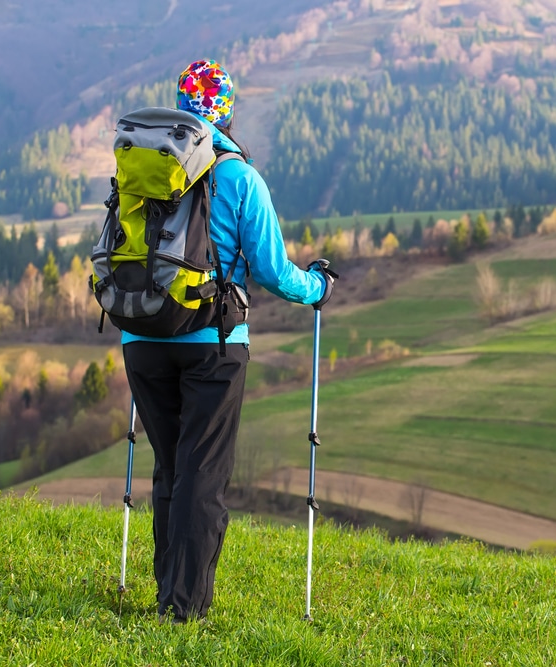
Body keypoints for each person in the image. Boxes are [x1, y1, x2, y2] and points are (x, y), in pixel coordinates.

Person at [121, 58, 332, 624]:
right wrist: (316, 286)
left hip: (140, 334)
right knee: (202, 472)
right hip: (212, 342)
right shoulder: (238, 176)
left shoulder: (141, 165)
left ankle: (169, 591)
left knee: (169, 467)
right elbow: (270, 270)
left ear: (181, 104)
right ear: (226, 110)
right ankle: (182, 609)